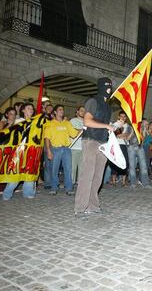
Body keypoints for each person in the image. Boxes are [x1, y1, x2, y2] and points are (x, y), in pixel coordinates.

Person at [74, 77, 116, 216]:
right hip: (91, 141)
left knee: (98, 176)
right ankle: (80, 208)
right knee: (87, 175)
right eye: (106, 85)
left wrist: (114, 127)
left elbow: (105, 125)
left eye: (110, 85)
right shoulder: (93, 101)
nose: (109, 88)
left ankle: (92, 205)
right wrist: (106, 125)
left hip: (103, 143)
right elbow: (87, 121)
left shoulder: (108, 106)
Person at [2, 103, 37, 200]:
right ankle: (7, 194)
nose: (31, 110)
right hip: (19, 150)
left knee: (29, 171)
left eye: (32, 108)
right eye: (28, 108)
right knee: (16, 173)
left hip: (31, 150)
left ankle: (28, 192)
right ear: (23, 110)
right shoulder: (18, 121)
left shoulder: (35, 122)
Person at [44, 104, 79, 196]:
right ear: (55, 112)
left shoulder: (67, 123)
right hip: (55, 149)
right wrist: (48, 150)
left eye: (62, 110)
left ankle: (69, 188)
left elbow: (74, 134)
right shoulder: (50, 124)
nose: (62, 111)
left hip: (66, 149)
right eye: (60, 109)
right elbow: (47, 138)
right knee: (54, 170)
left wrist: (84, 128)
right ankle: (54, 187)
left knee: (68, 169)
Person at [70, 106, 85, 187]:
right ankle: (71, 183)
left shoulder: (86, 122)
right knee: (73, 167)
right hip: (74, 147)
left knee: (82, 168)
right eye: (81, 111)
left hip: (84, 147)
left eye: (84, 111)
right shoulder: (73, 120)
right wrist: (84, 130)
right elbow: (75, 132)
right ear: (77, 112)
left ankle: (80, 183)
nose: (83, 112)